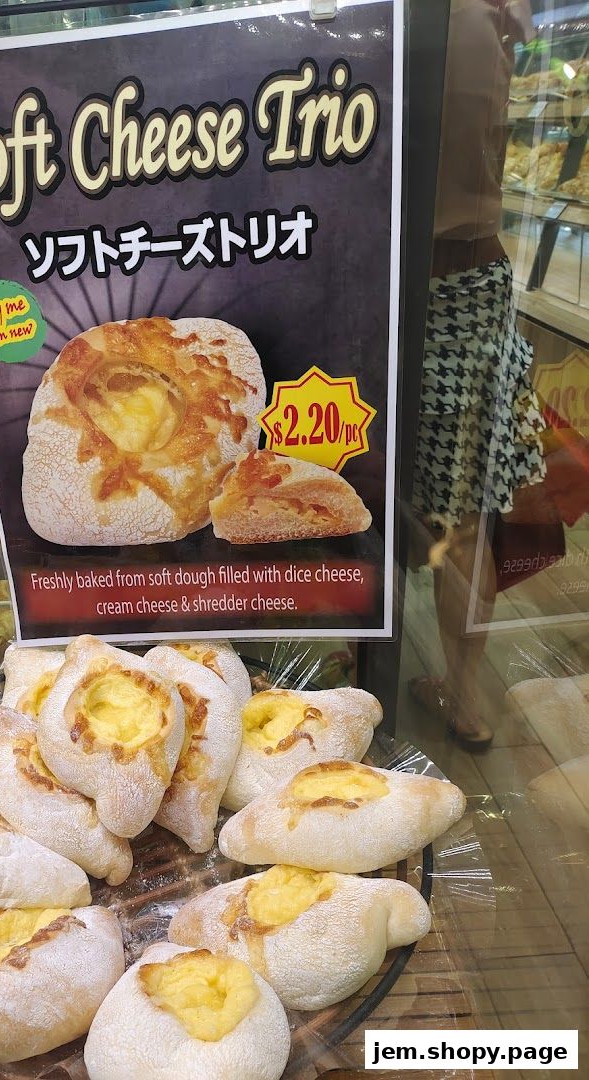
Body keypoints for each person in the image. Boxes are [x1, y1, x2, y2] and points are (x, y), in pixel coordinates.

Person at [408, 0, 546, 750]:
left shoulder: (418, 19)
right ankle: (464, 698)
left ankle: (376, 671)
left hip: (409, 287)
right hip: (479, 284)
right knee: (463, 525)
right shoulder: (493, 13)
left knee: (390, 506)